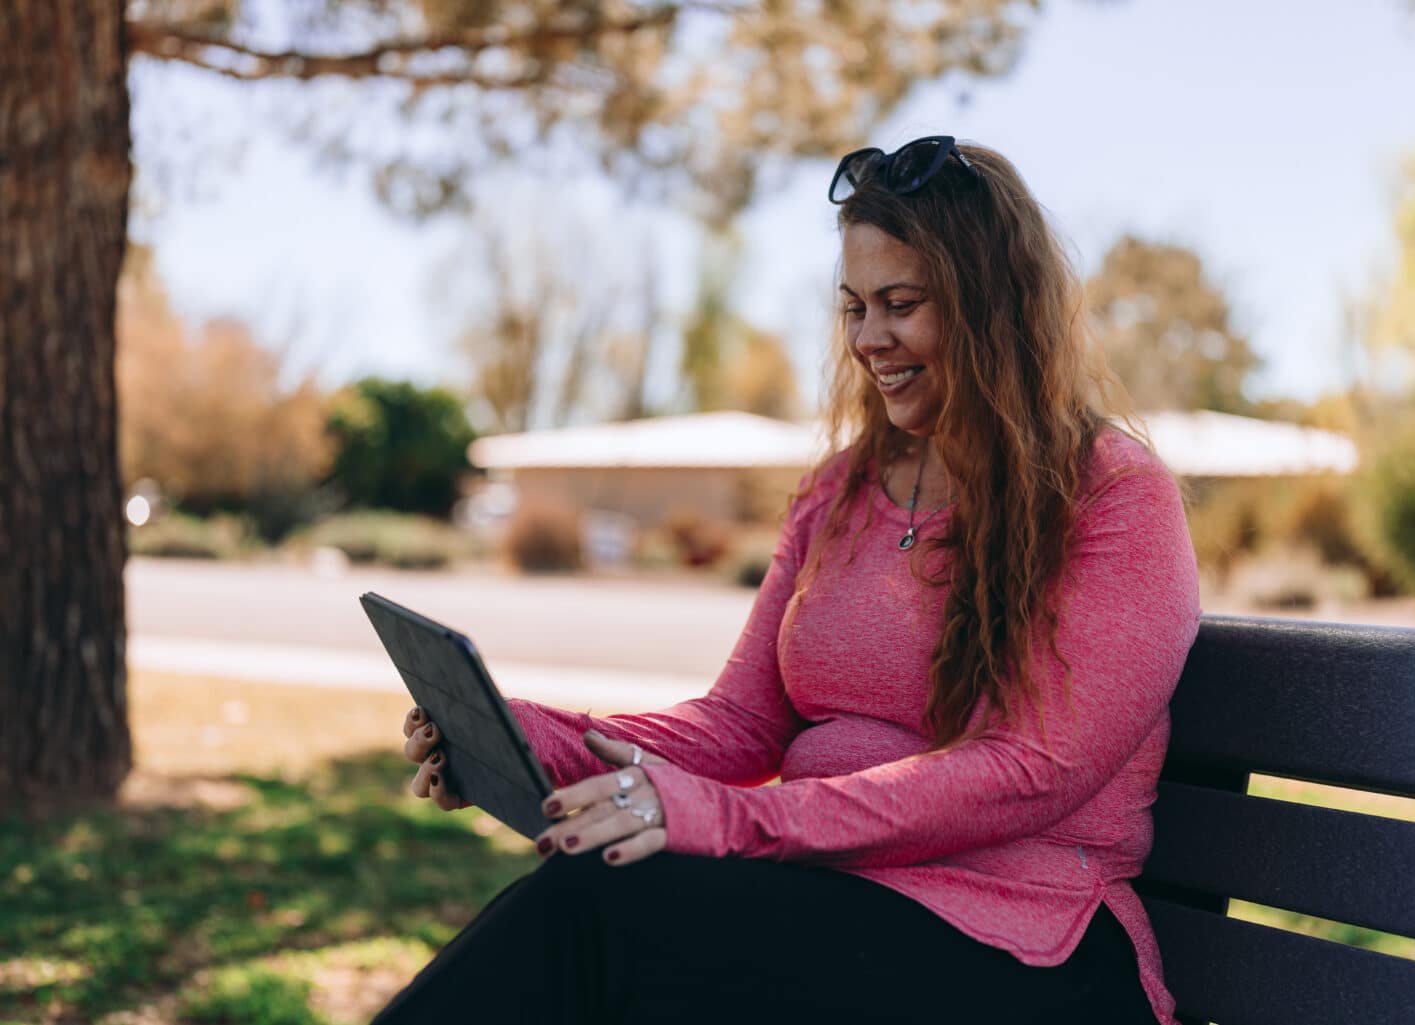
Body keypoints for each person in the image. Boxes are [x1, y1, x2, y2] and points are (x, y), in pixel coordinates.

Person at [374, 137, 1200, 1025]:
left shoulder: (1110, 492)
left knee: (601, 907)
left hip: (1026, 941)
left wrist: (732, 821)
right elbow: (739, 723)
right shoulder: (840, 491)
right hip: (837, 904)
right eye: (854, 307)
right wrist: (521, 738)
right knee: (595, 893)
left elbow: (1030, 769)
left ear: (992, 307)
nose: (869, 339)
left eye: (901, 304)